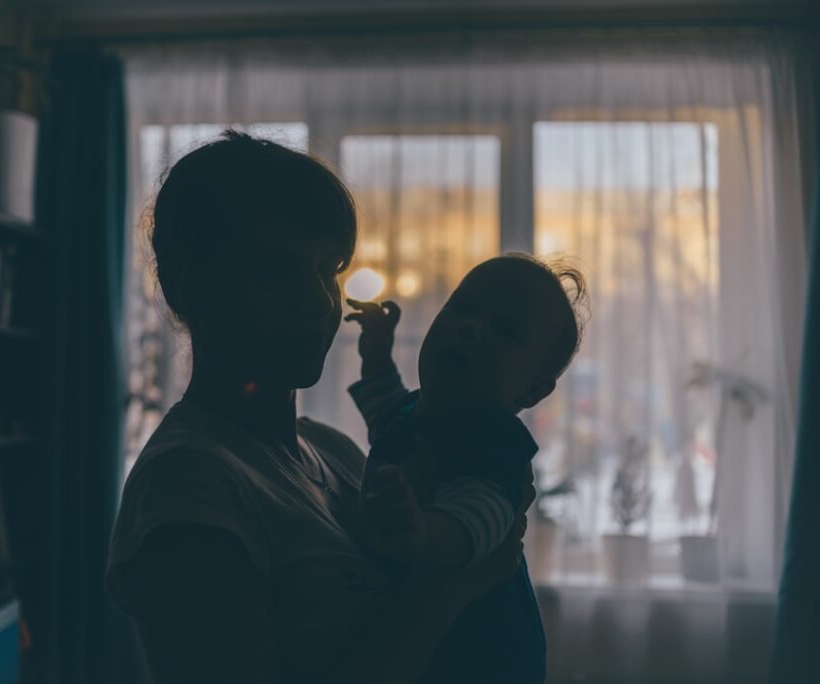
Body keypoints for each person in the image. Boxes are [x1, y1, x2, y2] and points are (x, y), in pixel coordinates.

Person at [105, 131, 528, 684]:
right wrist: (446, 588)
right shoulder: (187, 484)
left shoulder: (338, 452)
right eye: (278, 270)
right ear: (191, 285)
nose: (318, 301)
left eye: (329, 269)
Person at [344, 255, 588, 683]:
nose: (471, 327)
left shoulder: (495, 444)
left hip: (483, 654)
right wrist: (378, 356)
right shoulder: (414, 410)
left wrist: (423, 532)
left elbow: (479, 518)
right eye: (461, 307)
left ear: (533, 389)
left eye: (505, 331)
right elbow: (387, 420)